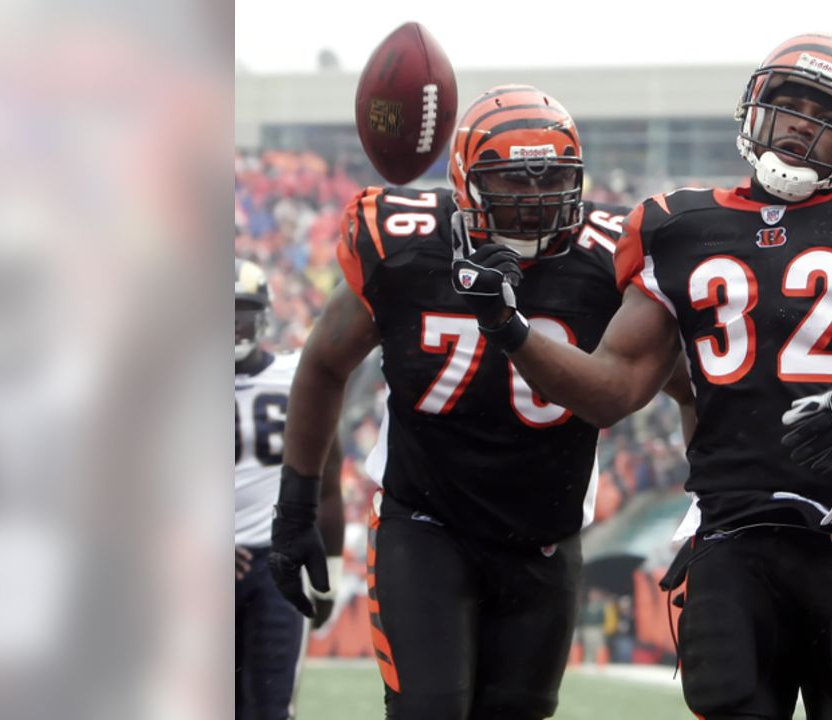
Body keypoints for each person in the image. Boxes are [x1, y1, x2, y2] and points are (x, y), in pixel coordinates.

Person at [452, 35, 832, 719]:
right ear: (753, 110)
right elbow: (611, 389)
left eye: (824, 110)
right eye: (787, 103)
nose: (802, 121)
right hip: (729, 538)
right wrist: (509, 330)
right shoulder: (677, 227)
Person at [267, 85, 694, 719]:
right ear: (465, 186)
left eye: (551, 178)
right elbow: (324, 362)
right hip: (424, 524)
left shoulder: (610, 258)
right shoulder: (408, 247)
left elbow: (695, 388)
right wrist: (300, 504)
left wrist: (711, 511)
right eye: (512, 182)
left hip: (545, 539)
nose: (534, 201)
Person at [235, 257, 345, 720]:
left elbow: (329, 485)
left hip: (276, 562)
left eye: (240, 309)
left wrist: (330, 578)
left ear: (261, 315)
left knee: (271, 708)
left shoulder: (294, 376)